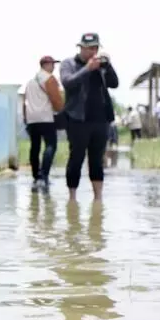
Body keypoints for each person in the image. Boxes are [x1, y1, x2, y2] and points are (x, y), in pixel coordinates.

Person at [59, 32, 119, 202]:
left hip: (101, 119)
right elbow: (68, 82)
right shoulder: (68, 64)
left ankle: (98, 198)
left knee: (97, 160)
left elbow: (114, 83)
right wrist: (87, 69)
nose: (91, 52)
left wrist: (108, 65)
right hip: (78, 119)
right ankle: (72, 198)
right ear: (80, 48)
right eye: (88, 48)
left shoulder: (101, 65)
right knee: (76, 157)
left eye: (95, 48)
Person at [22, 55, 64, 192]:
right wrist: (61, 111)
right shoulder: (50, 79)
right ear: (46, 64)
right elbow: (56, 101)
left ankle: (36, 176)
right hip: (46, 118)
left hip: (32, 119)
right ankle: (44, 176)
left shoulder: (30, 82)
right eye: (52, 64)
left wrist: (26, 118)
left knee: (35, 147)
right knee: (51, 145)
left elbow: (25, 102)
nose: (54, 67)